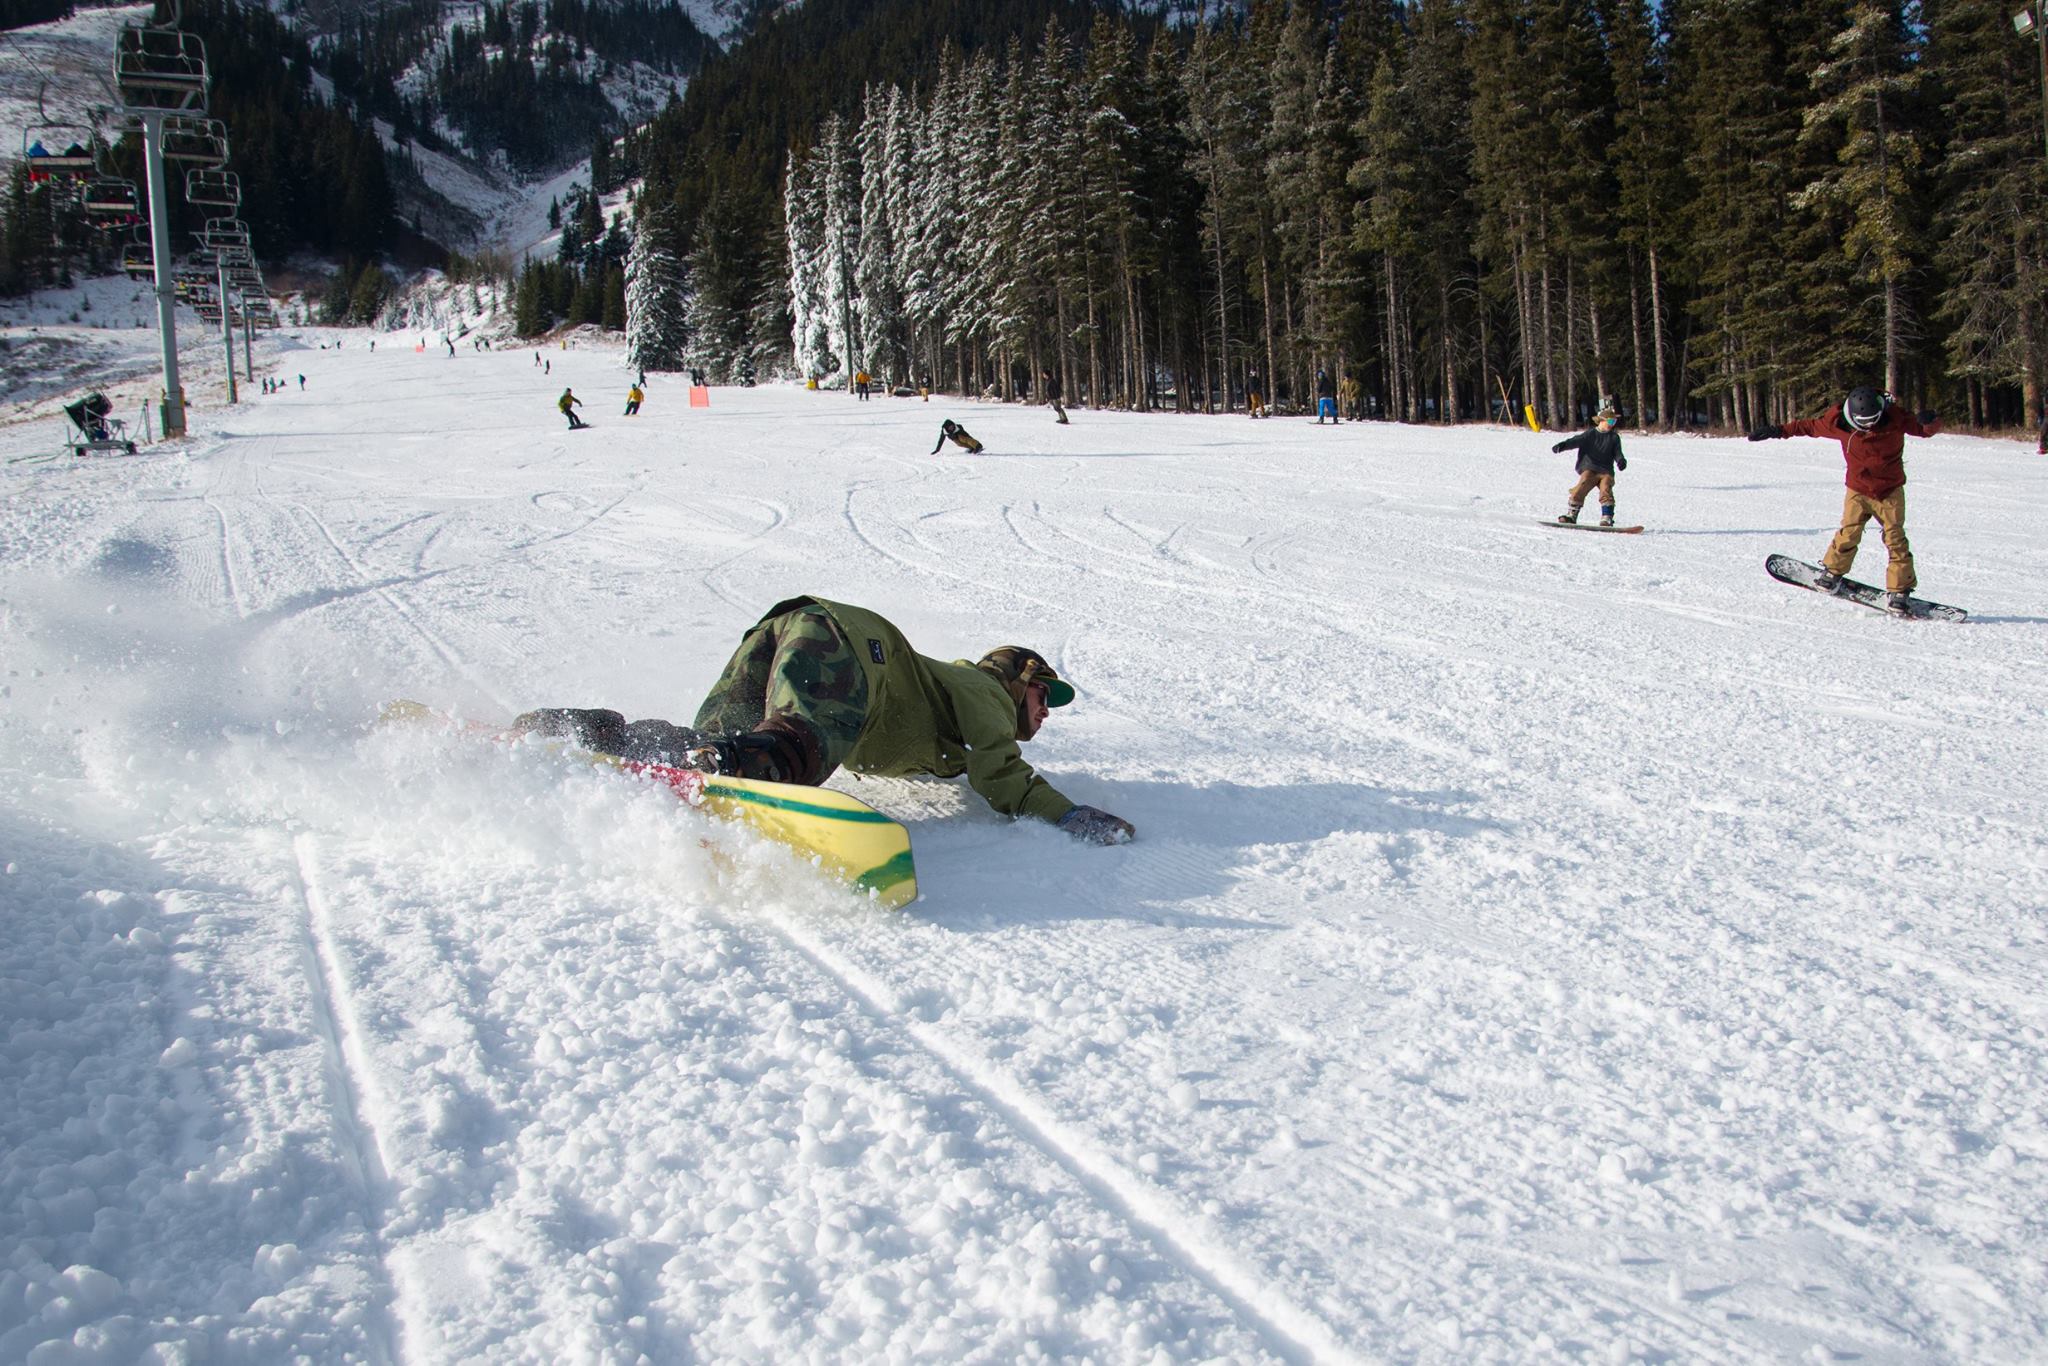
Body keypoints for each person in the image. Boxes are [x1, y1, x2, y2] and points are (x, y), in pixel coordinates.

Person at [512, 597, 1135, 844]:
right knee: (792, 755)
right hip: (845, 646)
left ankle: (595, 733)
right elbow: (1001, 774)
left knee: (719, 747)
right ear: (1017, 679)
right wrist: (1065, 813)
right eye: (1043, 695)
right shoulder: (984, 690)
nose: (1045, 712)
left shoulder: (950, 692)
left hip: (793, 626)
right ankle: (719, 764)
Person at [1750, 386, 1940, 611]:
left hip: (1889, 491)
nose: (1869, 425)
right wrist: (1777, 430)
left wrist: (1930, 421)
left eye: (1873, 420)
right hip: (1857, 490)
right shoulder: (1838, 423)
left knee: (1895, 538)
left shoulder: (1896, 418)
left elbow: (1924, 430)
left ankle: (1899, 590)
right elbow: (1808, 426)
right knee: (1849, 532)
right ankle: (1833, 571)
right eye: (1863, 421)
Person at [1551, 399, 1627, 526]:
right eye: (1610, 421)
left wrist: (1621, 461)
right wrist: (1562, 446)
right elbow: (1576, 441)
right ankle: (1571, 515)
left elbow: (1618, 452)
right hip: (1590, 468)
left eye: (1614, 422)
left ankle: (1607, 517)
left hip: (1606, 471)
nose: (1612, 424)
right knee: (1582, 485)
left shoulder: (1614, 437)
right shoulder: (1591, 434)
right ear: (1601, 421)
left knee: (1606, 488)